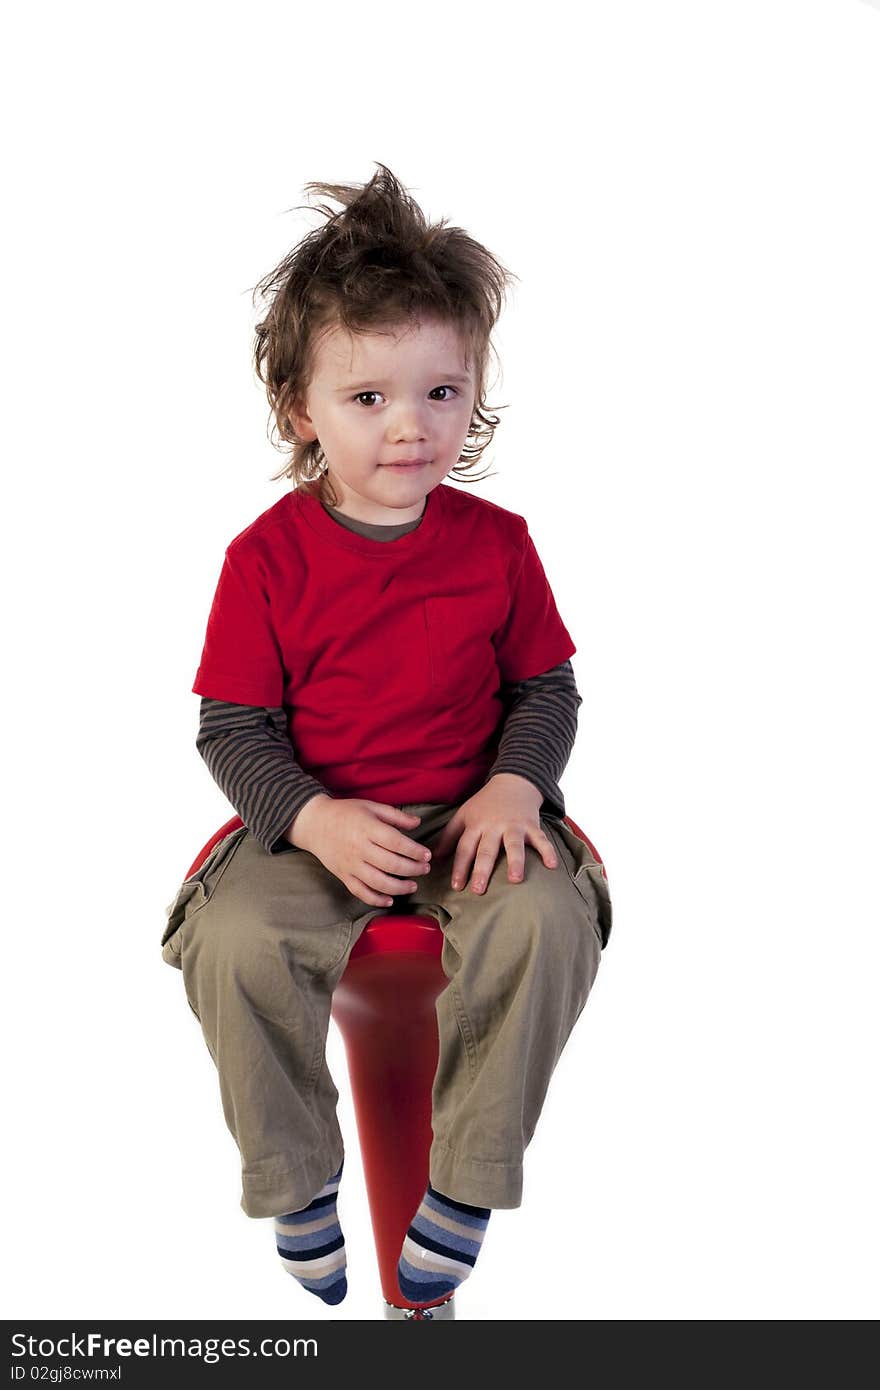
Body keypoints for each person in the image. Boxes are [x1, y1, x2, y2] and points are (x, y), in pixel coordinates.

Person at [161, 163, 613, 1312]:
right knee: (237, 944)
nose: (410, 426)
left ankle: (463, 1186)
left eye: (441, 392)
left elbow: (546, 689)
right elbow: (234, 726)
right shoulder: (265, 560)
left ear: (472, 397)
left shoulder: (499, 544)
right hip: (311, 830)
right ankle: (299, 1179)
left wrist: (517, 789)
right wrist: (310, 815)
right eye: (368, 398)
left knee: (546, 917)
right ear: (299, 410)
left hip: (469, 818)